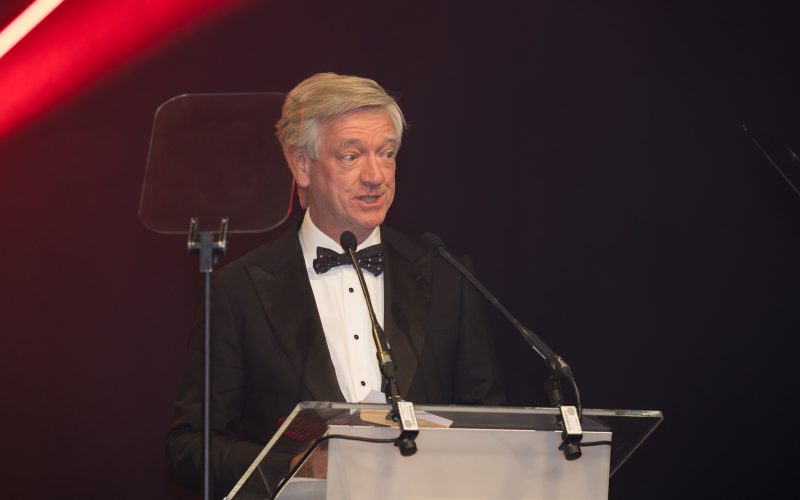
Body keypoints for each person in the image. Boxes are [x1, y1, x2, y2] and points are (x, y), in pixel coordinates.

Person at [165, 72, 504, 498]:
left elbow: (491, 426)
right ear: (301, 165)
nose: (375, 175)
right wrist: (295, 467)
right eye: (350, 156)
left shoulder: (447, 276)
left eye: (386, 153)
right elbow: (189, 447)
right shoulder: (238, 291)